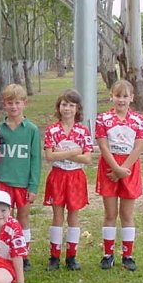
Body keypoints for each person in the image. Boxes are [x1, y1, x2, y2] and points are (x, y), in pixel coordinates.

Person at [95, 79, 143, 271]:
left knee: (127, 214)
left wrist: (123, 169)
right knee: (110, 213)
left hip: (129, 169)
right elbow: (102, 144)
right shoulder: (103, 119)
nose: (121, 100)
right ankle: (108, 254)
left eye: (125, 96)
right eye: (118, 95)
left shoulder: (139, 120)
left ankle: (128, 255)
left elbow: (139, 146)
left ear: (132, 98)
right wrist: (115, 169)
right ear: (111, 96)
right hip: (109, 169)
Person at [43, 89, 93, 271]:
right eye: (64, 104)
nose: (67, 109)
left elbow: (87, 158)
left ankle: (71, 256)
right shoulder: (52, 129)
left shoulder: (82, 130)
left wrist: (61, 153)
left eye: (71, 105)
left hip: (75, 176)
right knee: (57, 215)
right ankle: (54, 256)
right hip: (58, 175)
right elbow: (49, 156)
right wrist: (73, 152)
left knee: (73, 215)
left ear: (77, 108)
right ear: (59, 107)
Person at [0, 84, 42, 272]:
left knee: (22, 218)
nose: (13, 107)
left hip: (23, 183)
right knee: (4, 218)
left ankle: (23, 254)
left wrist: (33, 186)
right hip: (3, 182)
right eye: (9, 103)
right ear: (4, 105)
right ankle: (4, 252)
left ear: (25, 103)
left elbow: (35, 159)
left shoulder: (31, 129)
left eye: (17, 102)